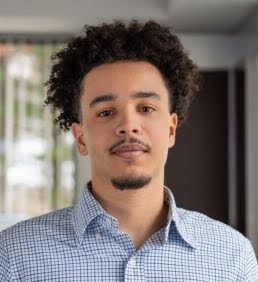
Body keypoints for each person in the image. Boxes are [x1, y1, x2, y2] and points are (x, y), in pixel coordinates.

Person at [0, 20, 257, 281]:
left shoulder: (233, 257)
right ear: (81, 138)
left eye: (145, 108)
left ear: (171, 129)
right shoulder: (12, 258)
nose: (128, 126)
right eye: (106, 112)